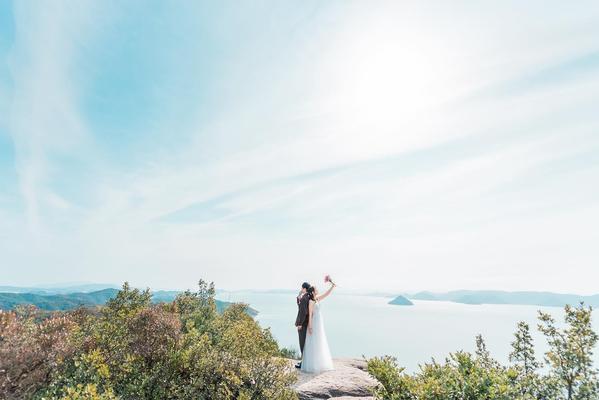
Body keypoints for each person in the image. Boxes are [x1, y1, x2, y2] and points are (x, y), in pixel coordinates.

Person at [301, 281, 336, 373]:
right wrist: (310, 326)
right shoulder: (311, 302)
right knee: (313, 342)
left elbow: (326, 294)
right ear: (313, 291)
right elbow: (311, 314)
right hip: (314, 322)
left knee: (319, 340)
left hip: (319, 322)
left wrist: (332, 287)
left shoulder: (316, 299)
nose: (318, 290)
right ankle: (313, 365)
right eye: (316, 289)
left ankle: (319, 362)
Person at [294, 282, 311, 368]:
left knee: (302, 343)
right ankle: (304, 361)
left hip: (303, 324)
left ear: (304, 288)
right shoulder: (307, 297)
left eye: (302, 288)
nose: (301, 289)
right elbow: (301, 307)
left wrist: (300, 324)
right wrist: (299, 296)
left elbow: (303, 312)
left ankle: (303, 363)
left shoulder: (305, 298)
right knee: (305, 343)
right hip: (306, 323)